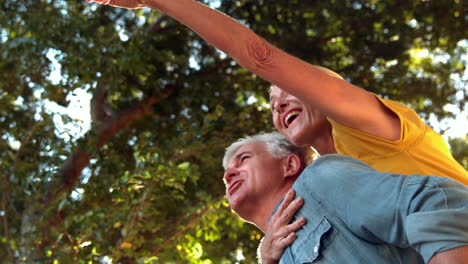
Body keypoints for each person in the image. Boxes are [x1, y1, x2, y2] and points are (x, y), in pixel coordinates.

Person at [87, 0, 468, 261]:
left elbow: (260, 56)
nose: (279, 103)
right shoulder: (325, 189)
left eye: (289, 91)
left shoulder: (371, 122)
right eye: (271, 104)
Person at [223, 132, 468, 264]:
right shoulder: (274, 257)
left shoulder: (320, 180)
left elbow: (436, 200)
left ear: (290, 165)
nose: (229, 174)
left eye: (243, 159)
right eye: (225, 174)